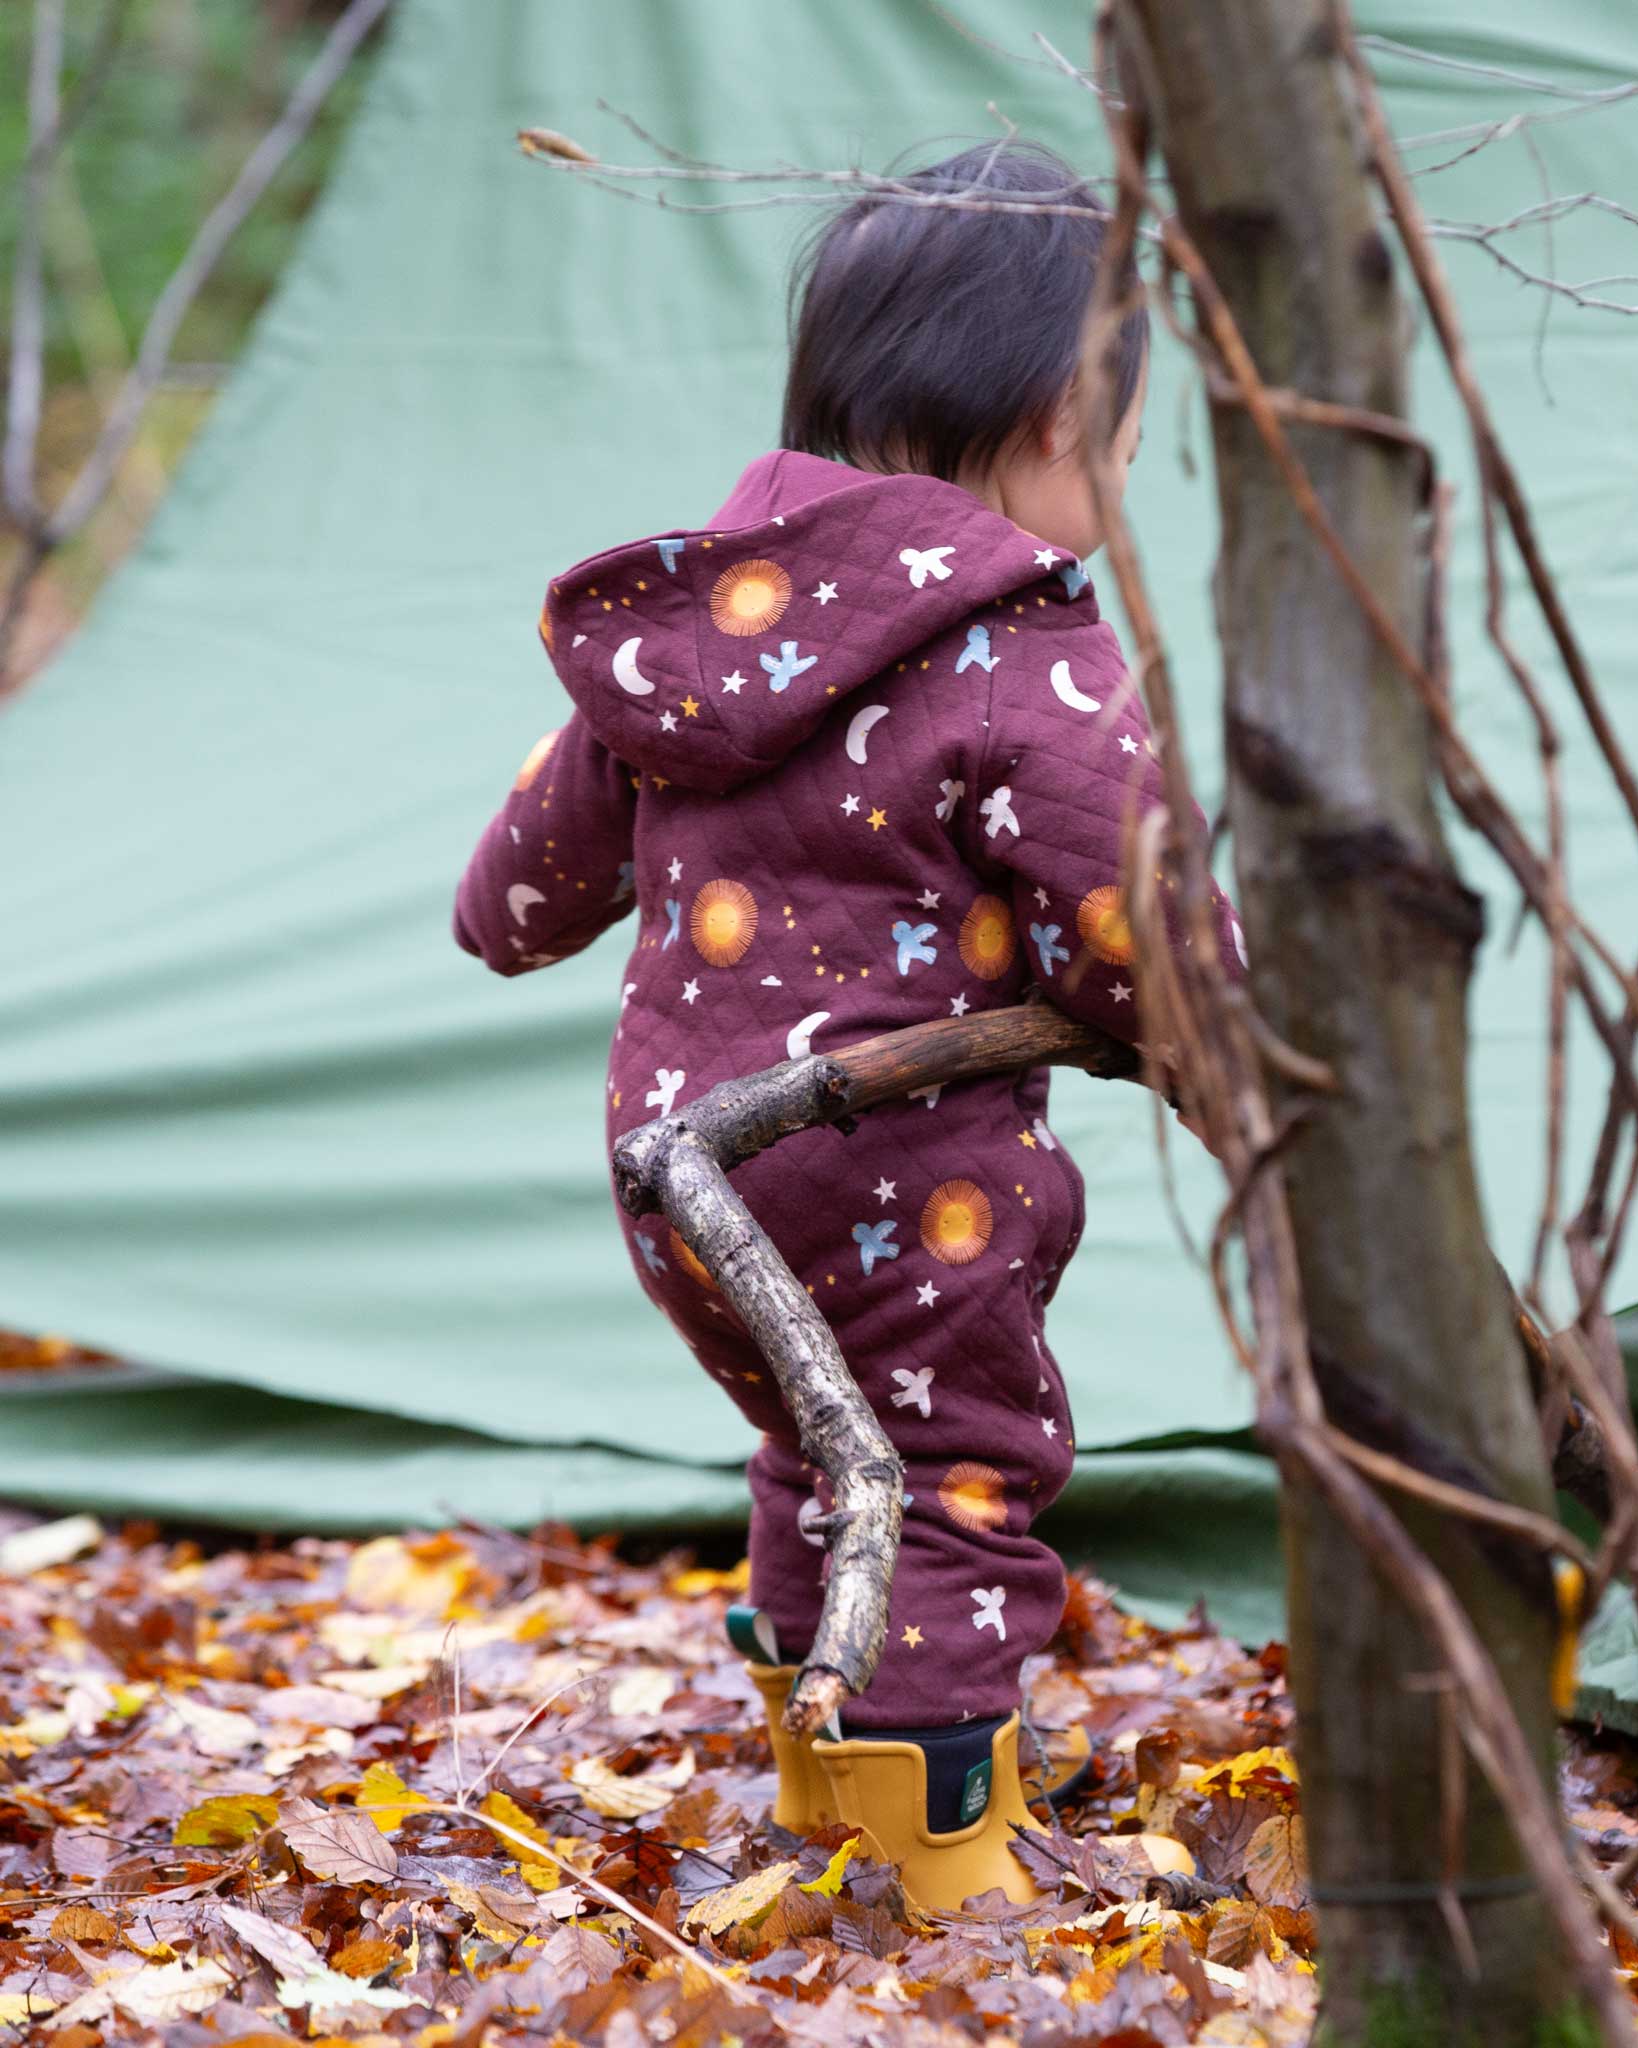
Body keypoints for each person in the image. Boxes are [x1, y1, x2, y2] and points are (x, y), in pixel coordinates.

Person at [454, 141, 1242, 1910]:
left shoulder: (685, 633)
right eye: (1127, 435)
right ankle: (937, 1875)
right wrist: (1254, 1060)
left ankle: (823, 1779)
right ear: (1057, 415)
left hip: (682, 1182)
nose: (1123, 473)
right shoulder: (1023, 651)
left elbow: (502, 907)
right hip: (906, 1189)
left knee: (825, 1445)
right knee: (957, 1464)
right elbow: (1144, 933)